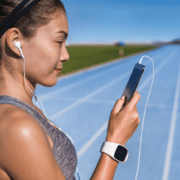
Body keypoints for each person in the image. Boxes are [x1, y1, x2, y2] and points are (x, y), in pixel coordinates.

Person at [0, 0, 141, 179]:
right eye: (59, 41)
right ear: (16, 41)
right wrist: (115, 141)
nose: (66, 55)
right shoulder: (18, 128)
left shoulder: (25, 110)